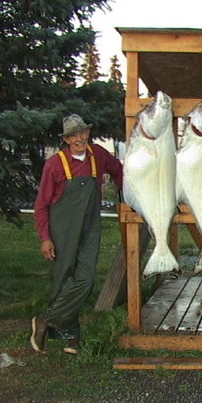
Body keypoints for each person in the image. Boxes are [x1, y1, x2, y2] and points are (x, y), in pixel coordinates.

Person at [31, 114, 123, 355]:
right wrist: (45, 238)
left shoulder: (99, 155)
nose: (79, 138)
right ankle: (72, 336)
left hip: (90, 228)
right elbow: (41, 205)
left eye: (82, 133)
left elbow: (119, 172)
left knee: (85, 280)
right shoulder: (55, 164)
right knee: (62, 279)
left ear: (88, 134)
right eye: (73, 135)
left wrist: (132, 196)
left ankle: (45, 319)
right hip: (61, 230)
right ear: (66, 139)